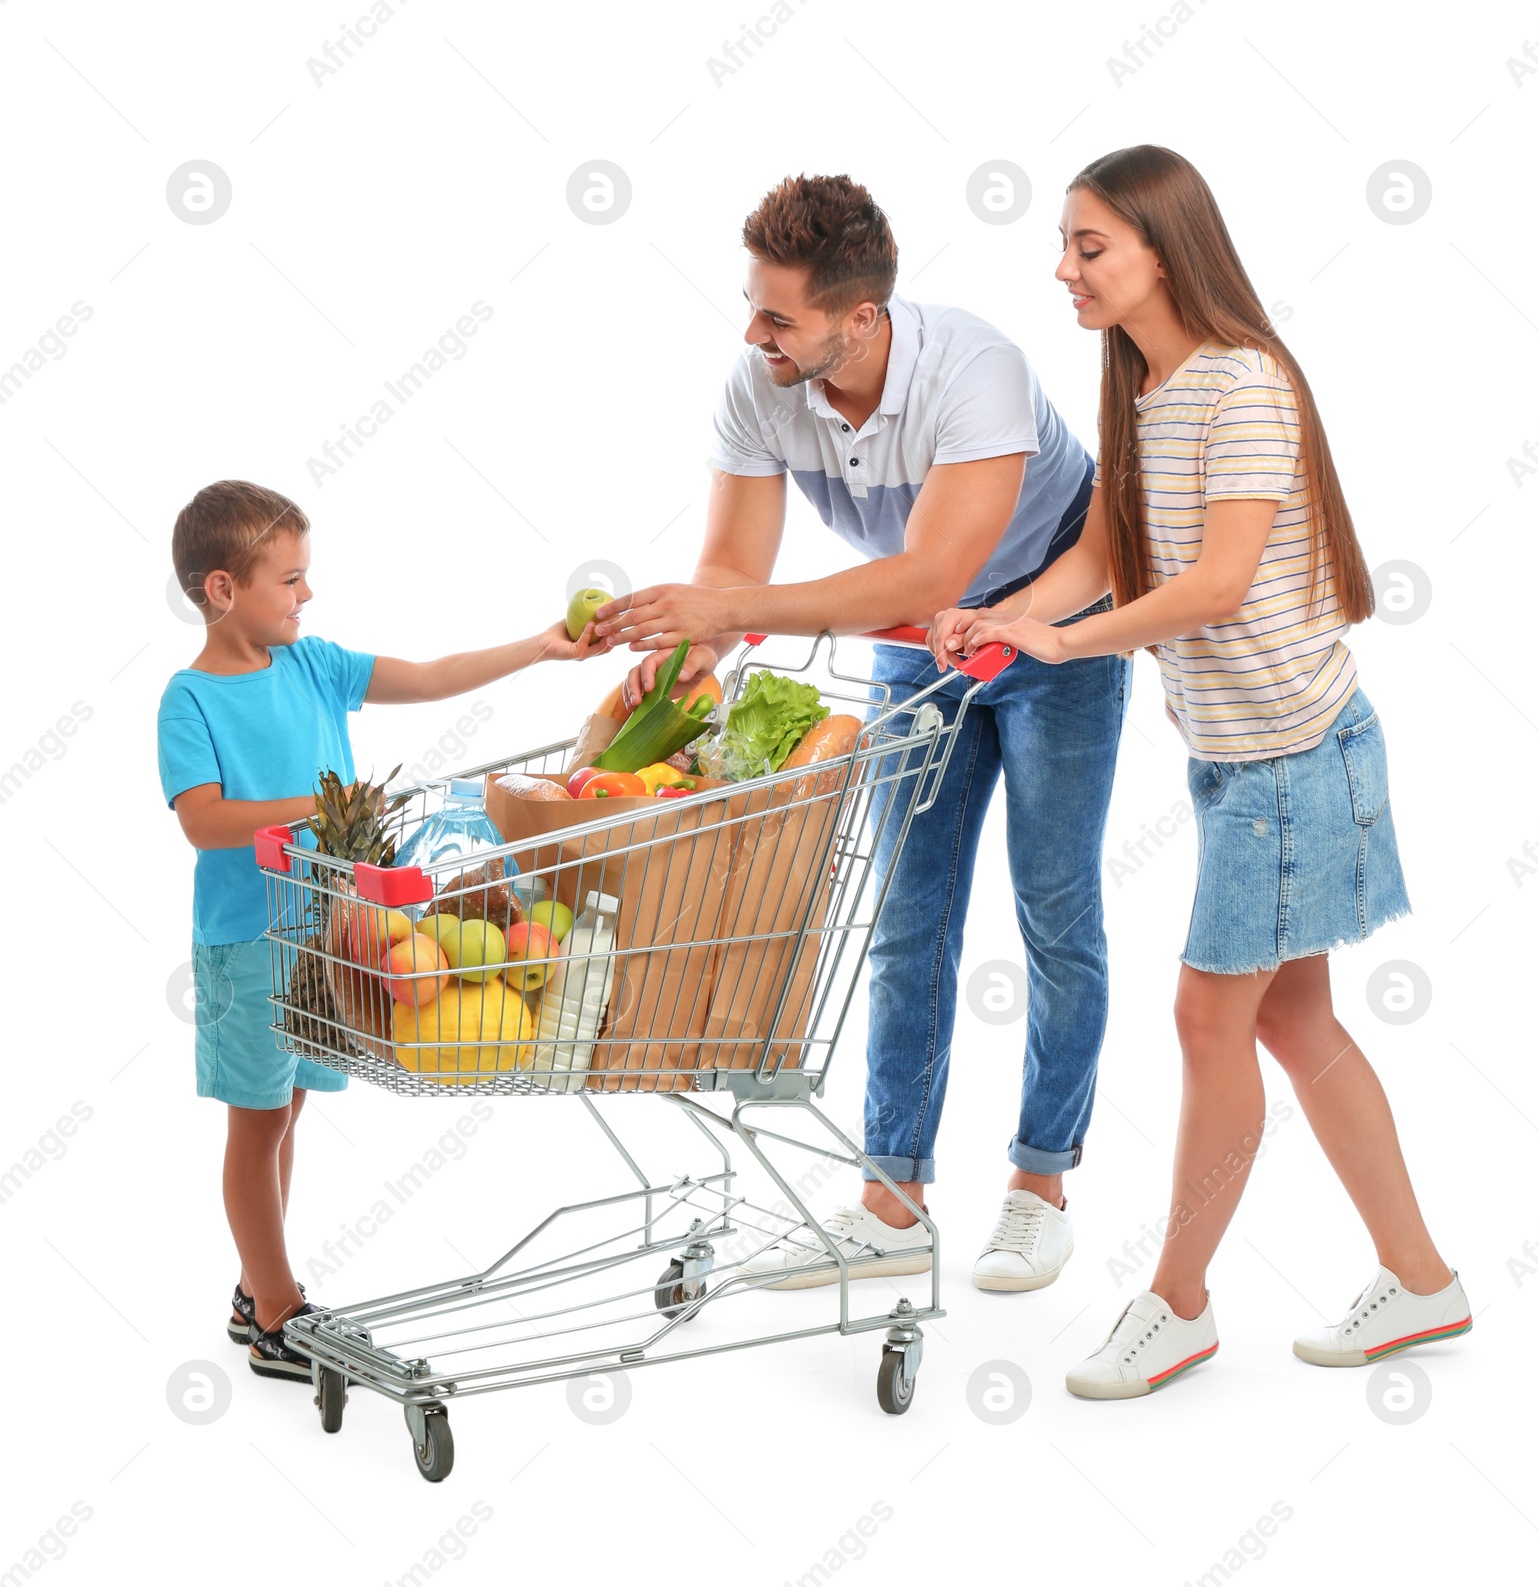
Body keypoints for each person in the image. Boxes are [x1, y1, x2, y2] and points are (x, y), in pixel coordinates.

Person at [933, 145, 1469, 1395]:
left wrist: (1062, 642)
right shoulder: (1144, 385)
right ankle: (1422, 1278)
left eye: (1087, 246)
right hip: (1248, 763)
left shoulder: (1243, 387)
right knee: (1292, 1017)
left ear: (1160, 253)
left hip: (1293, 759)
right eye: (1065, 245)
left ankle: (1177, 1304)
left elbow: (1215, 585)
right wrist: (1012, 613)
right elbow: (1113, 549)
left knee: (1207, 1017)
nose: (1061, 267)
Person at [593, 174, 1128, 1292]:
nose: (755, 334)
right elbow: (734, 570)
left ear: (862, 317)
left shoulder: (975, 369)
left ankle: (1040, 1188)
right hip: (908, 641)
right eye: (753, 306)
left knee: (1055, 908)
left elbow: (939, 567)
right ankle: (893, 1203)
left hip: (1050, 627)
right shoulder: (762, 384)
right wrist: (696, 644)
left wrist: (731, 613)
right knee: (904, 915)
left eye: (779, 316)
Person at [157, 480, 601, 1380]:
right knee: (255, 1121)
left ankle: (256, 1287)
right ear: (221, 589)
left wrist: (540, 649)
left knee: (289, 1109)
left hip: (333, 932)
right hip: (250, 939)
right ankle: (279, 1309)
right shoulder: (189, 698)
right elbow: (203, 820)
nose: (306, 595)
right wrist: (327, 806)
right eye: (290, 580)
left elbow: (431, 675)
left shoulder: (313, 664)